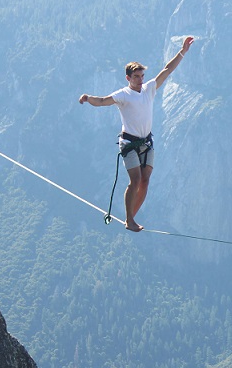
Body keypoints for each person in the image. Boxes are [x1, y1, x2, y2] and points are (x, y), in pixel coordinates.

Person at [79, 36, 194, 232]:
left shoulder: (149, 89)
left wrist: (182, 51)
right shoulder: (123, 95)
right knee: (135, 180)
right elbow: (102, 101)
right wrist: (87, 98)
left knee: (145, 181)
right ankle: (129, 219)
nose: (140, 80)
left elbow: (167, 70)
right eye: (136, 77)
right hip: (129, 144)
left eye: (141, 76)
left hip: (147, 142)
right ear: (128, 78)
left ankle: (131, 217)